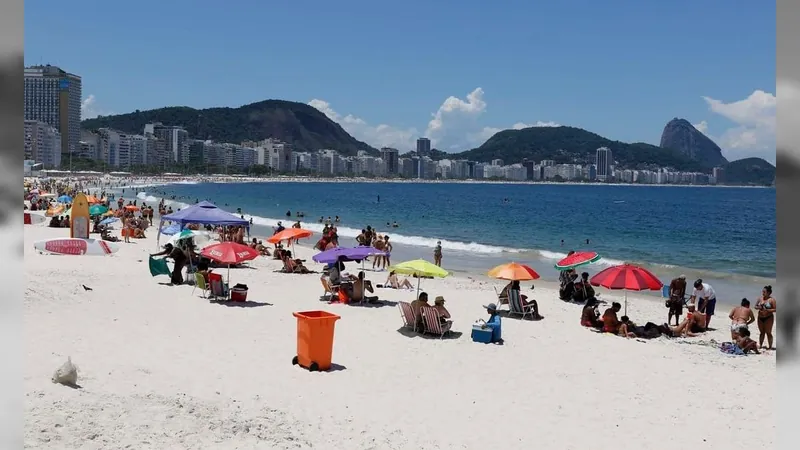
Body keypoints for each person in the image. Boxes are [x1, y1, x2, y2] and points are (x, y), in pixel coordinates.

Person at [755, 285, 776, 349]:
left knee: (768, 333)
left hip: (768, 318)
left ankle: (770, 347)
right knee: (762, 332)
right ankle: (760, 345)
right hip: (760, 317)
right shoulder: (760, 299)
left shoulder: (772, 300)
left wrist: (767, 310)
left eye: (764, 292)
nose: (763, 293)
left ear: (769, 293)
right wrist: (759, 307)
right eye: (762, 292)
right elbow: (755, 306)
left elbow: (775, 309)